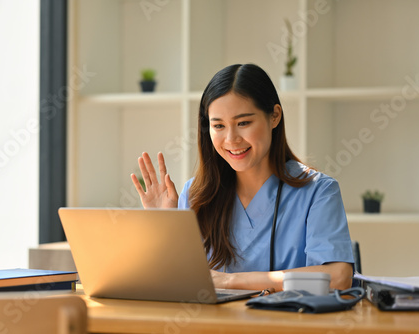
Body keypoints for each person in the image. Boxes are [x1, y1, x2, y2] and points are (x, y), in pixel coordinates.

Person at [130, 63, 354, 292]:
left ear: (274, 116)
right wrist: (165, 226)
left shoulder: (318, 191)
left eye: (243, 123)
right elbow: (177, 281)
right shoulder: (196, 194)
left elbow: (338, 278)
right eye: (218, 126)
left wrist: (231, 281)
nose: (231, 139)